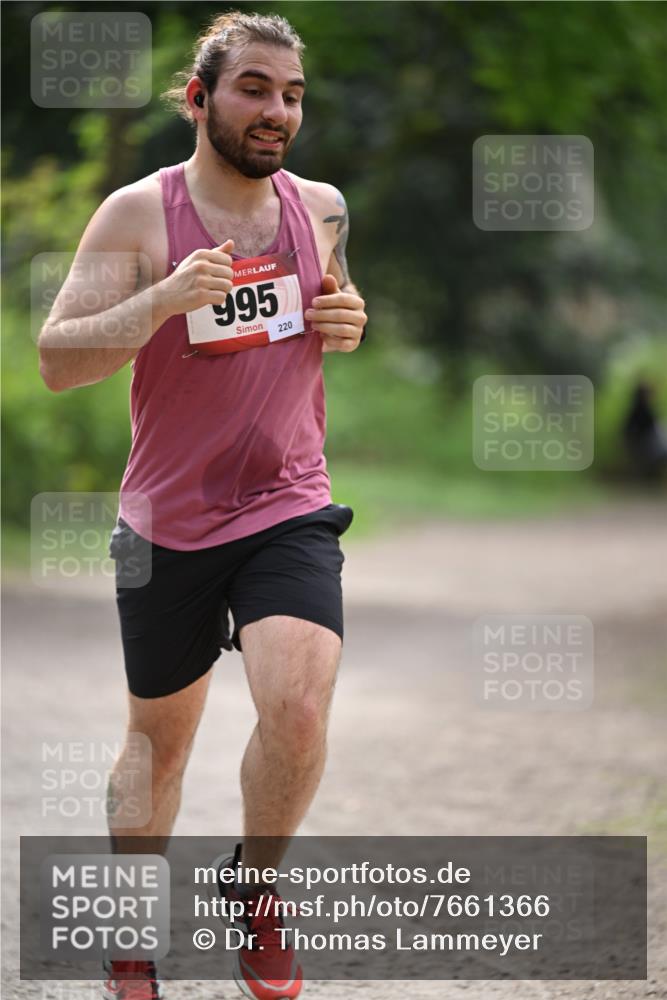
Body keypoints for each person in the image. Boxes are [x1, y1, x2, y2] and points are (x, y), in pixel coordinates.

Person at [37, 11, 367, 1000]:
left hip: (287, 503)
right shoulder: (137, 216)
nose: (278, 111)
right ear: (199, 99)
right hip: (165, 523)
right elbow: (59, 362)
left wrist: (348, 318)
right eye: (255, 88)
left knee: (298, 706)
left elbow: (331, 304)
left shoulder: (324, 207)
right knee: (158, 744)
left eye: (292, 94)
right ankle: (131, 934)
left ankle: (256, 887)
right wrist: (163, 300)